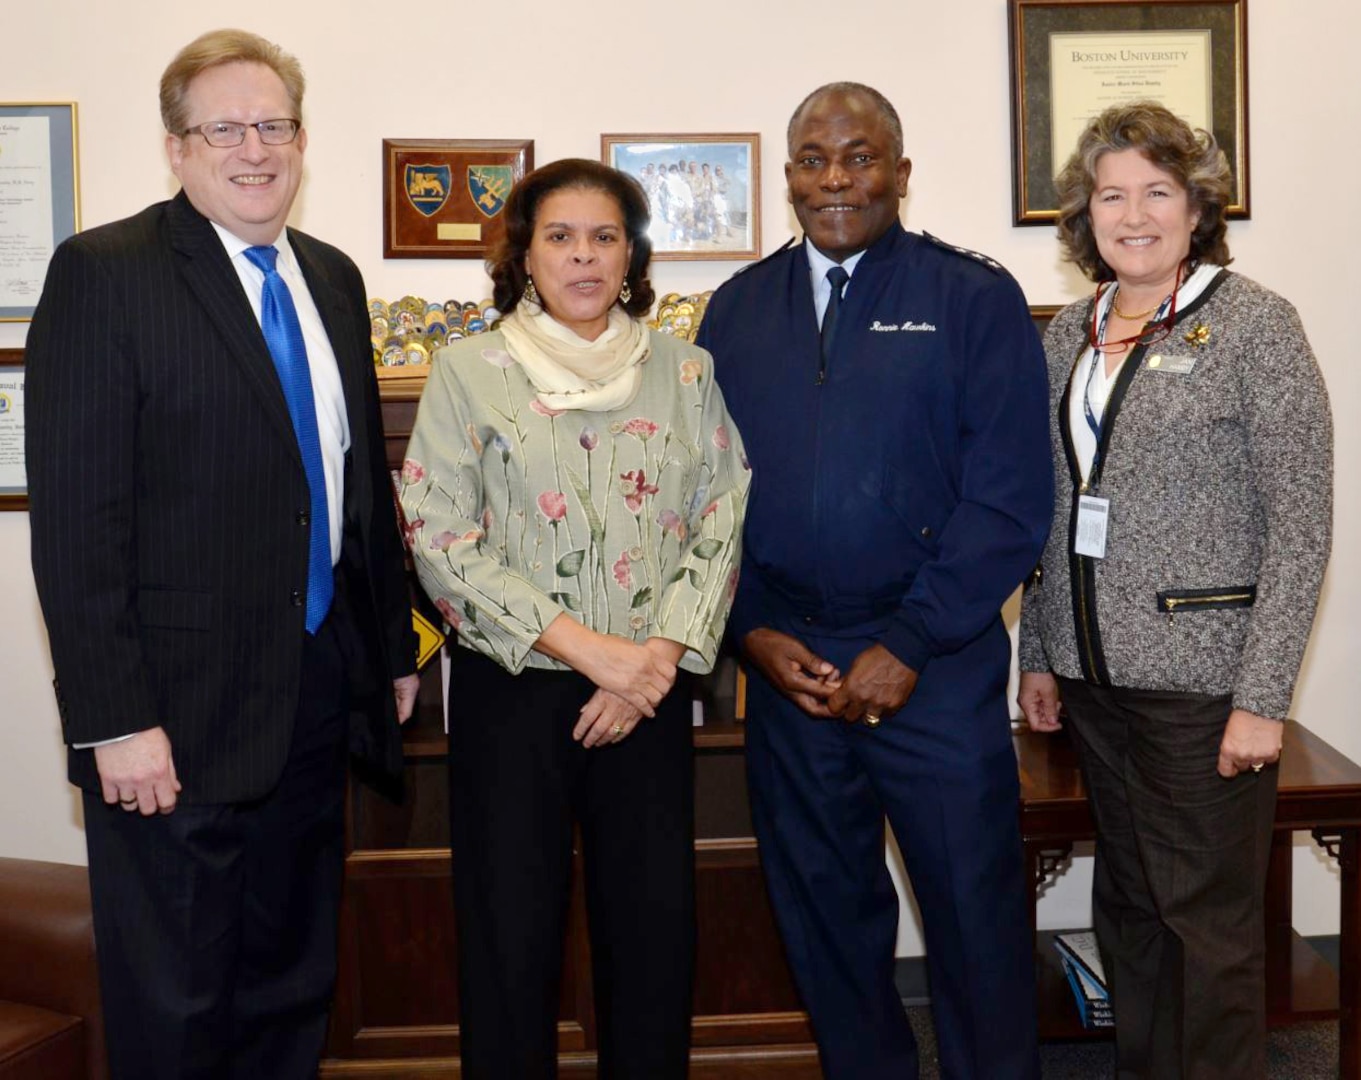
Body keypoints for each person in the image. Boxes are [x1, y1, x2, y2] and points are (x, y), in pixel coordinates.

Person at [25, 29, 420, 1080]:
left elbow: (352, 492)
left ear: (300, 138)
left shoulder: (330, 278)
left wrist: (388, 653)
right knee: (178, 1002)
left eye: (275, 124)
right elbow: (77, 523)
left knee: (292, 985)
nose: (256, 148)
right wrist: (114, 720)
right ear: (177, 148)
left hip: (313, 700)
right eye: (226, 128)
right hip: (173, 725)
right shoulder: (107, 273)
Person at [695, 82, 1051, 1079]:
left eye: (859, 157)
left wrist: (908, 642)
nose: (836, 179)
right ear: (788, 176)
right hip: (787, 666)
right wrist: (751, 631)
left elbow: (1008, 500)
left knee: (972, 918)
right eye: (813, 158)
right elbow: (702, 499)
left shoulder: (970, 300)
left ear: (899, 171)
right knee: (826, 917)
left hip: (930, 669)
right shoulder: (734, 309)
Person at [399, 157, 750, 1079]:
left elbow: (722, 512)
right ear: (524, 253)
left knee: (651, 933)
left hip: (651, 692)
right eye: (559, 236)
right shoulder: (468, 371)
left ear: (632, 254)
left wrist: (653, 661)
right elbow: (438, 533)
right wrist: (597, 654)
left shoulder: (686, 369)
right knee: (509, 937)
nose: (583, 257)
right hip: (514, 694)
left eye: (604, 237)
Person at [1017, 100, 1332, 1079]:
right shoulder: (1068, 329)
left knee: (1205, 922)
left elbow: (1301, 522)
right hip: (1089, 679)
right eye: (1110, 195)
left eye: (1156, 191)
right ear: (1084, 216)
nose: (1132, 213)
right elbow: (1050, 505)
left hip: (1204, 684)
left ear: (1197, 208)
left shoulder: (1254, 325)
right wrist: (1036, 652)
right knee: (1131, 908)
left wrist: (1260, 699)